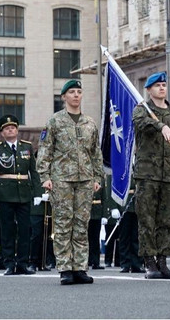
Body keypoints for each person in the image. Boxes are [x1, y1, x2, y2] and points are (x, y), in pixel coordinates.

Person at [37, 80, 104, 285]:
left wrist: (97, 177)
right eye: (72, 92)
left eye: (79, 92)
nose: (76, 95)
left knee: (82, 224)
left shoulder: (89, 123)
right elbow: (45, 150)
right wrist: (45, 177)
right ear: (64, 97)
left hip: (85, 179)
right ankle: (65, 267)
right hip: (61, 179)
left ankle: (80, 268)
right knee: (63, 223)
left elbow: (95, 153)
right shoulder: (55, 122)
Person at [132, 71, 170, 280]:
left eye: (164, 85)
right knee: (147, 219)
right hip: (148, 174)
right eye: (157, 86)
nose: (162, 88)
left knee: (167, 219)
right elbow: (140, 124)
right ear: (149, 90)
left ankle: (163, 261)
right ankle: (149, 262)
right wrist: (160, 125)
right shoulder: (142, 110)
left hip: (169, 175)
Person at [0, 114, 40, 276]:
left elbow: (34, 172)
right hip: (5, 194)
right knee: (7, 231)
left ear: (17, 130)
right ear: (2, 133)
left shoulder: (27, 147)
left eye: (13, 127)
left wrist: (37, 193)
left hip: (24, 193)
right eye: (7, 128)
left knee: (24, 230)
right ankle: (9, 263)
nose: (11, 130)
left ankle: (23, 263)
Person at [118, 180, 144, 274]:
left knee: (137, 236)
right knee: (124, 237)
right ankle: (125, 264)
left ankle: (137, 264)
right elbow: (113, 185)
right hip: (124, 203)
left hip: (138, 204)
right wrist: (114, 207)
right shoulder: (123, 164)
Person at [28, 184, 55, 272]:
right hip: (37, 209)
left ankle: (43, 262)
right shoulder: (33, 174)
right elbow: (27, 189)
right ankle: (33, 262)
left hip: (49, 210)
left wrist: (51, 196)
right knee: (36, 236)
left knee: (46, 237)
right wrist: (38, 195)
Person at [103, 173, 121, 268]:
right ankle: (108, 260)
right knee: (110, 238)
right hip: (110, 213)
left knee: (119, 238)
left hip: (120, 209)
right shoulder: (109, 176)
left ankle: (118, 260)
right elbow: (107, 195)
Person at [88, 176, 106, 270]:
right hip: (86, 211)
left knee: (95, 239)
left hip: (97, 211)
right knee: (85, 238)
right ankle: (86, 261)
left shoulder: (100, 179)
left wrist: (104, 215)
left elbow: (104, 198)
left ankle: (95, 262)